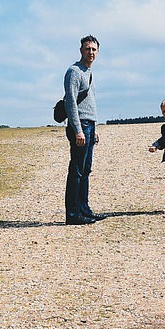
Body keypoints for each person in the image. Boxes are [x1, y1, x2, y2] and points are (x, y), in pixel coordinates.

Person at [63, 35, 100, 225]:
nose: (91, 52)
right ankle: (73, 214)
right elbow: (70, 102)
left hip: (89, 125)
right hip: (80, 126)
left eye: (94, 49)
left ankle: (84, 209)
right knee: (76, 170)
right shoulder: (74, 72)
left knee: (86, 170)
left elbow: (89, 102)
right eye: (88, 49)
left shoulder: (89, 72)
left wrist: (95, 128)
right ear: (81, 51)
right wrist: (77, 129)